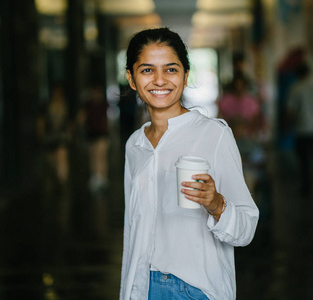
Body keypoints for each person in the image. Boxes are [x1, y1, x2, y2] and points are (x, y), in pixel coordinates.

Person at [120, 27, 259, 299]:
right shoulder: (135, 145)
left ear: (185, 75)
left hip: (195, 288)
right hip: (144, 286)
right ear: (132, 79)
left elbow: (246, 229)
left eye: (171, 69)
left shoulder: (214, 134)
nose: (160, 80)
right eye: (147, 70)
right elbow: (132, 229)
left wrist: (216, 204)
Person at [286, 63, 313, 196]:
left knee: (304, 161)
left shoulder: (296, 88)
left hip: (302, 129)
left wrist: (287, 126)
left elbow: (291, 110)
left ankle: (306, 187)